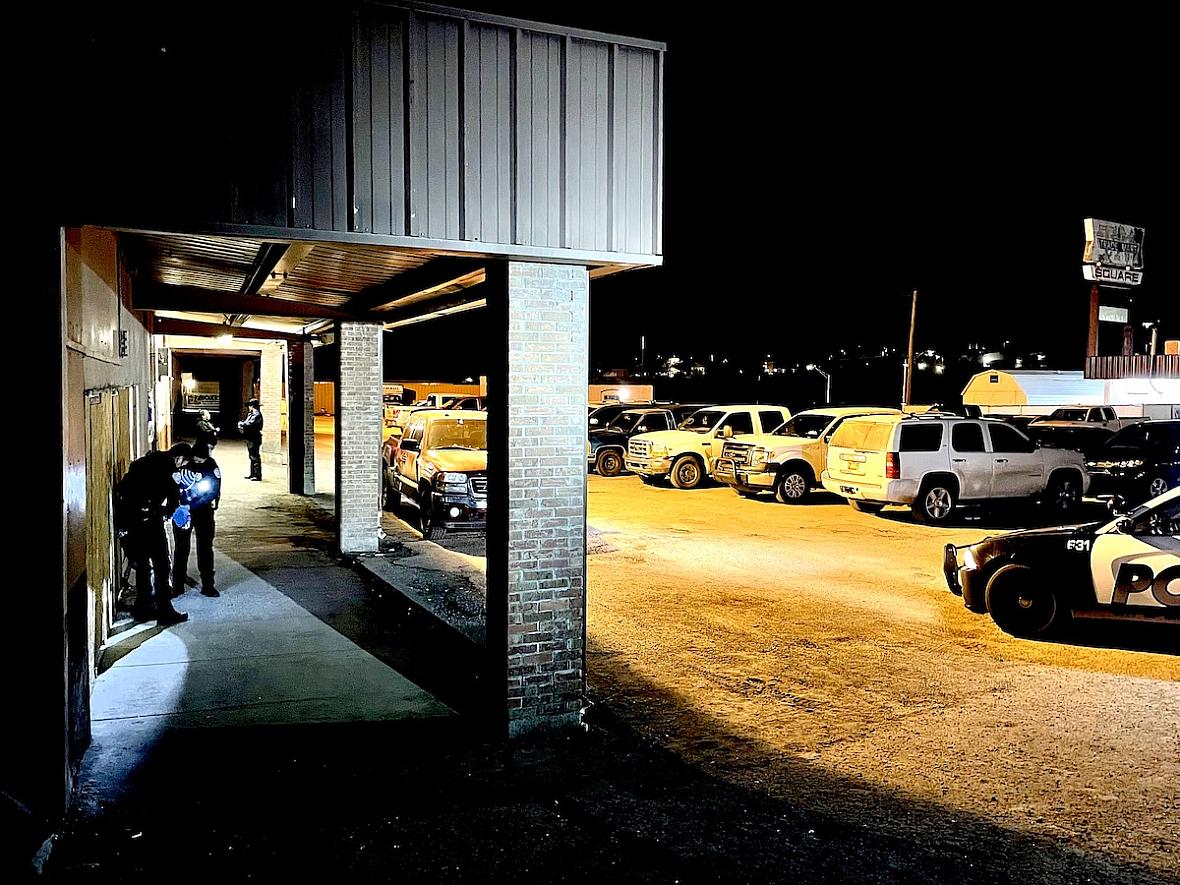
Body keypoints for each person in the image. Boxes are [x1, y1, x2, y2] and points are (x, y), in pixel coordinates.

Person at [114, 443, 193, 625]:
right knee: (162, 566)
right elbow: (174, 498)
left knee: (143, 567)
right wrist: (166, 513)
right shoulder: (169, 471)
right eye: (183, 463)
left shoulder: (145, 462)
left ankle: (143, 608)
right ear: (179, 458)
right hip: (150, 522)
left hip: (132, 522)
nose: (182, 467)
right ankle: (165, 611)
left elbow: (123, 488)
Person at [171, 442, 222, 598]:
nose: (199, 463)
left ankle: (208, 585)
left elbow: (214, 489)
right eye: (197, 460)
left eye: (202, 461)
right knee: (181, 548)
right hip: (181, 512)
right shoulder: (183, 464)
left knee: (205, 548)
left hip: (203, 511)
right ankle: (177, 585)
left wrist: (194, 504)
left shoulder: (210, 465)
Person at [238, 398, 263, 480]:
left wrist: (241, 423)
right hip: (250, 437)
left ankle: (257, 475)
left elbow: (249, 424)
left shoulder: (256, 415)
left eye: (249, 405)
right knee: (252, 456)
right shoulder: (251, 414)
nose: (248, 407)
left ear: (252, 406)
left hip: (254, 438)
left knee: (255, 456)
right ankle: (252, 474)